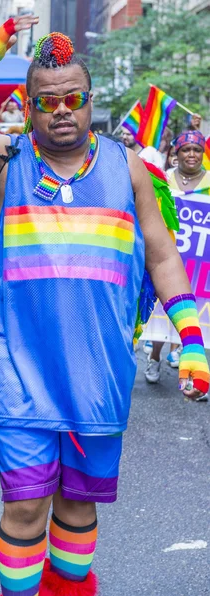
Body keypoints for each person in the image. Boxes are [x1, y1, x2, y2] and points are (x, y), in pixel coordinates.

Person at [0, 19, 209, 596]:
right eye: (47, 101)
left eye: (74, 98)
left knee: (78, 504)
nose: (62, 110)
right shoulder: (5, 157)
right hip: (19, 371)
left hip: (100, 371)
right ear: (29, 106)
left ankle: (70, 593)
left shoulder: (129, 167)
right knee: (24, 507)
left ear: (91, 101)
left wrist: (192, 342)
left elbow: (164, 257)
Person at [145, 130, 210, 397]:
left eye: (197, 149)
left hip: (201, 262)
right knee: (161, 316)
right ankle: (154, 358)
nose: (192, 154)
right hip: (167, 259)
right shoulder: (163, 182)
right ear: (176, 153)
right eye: (186, 150)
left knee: (200, 318)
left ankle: (196, 373)